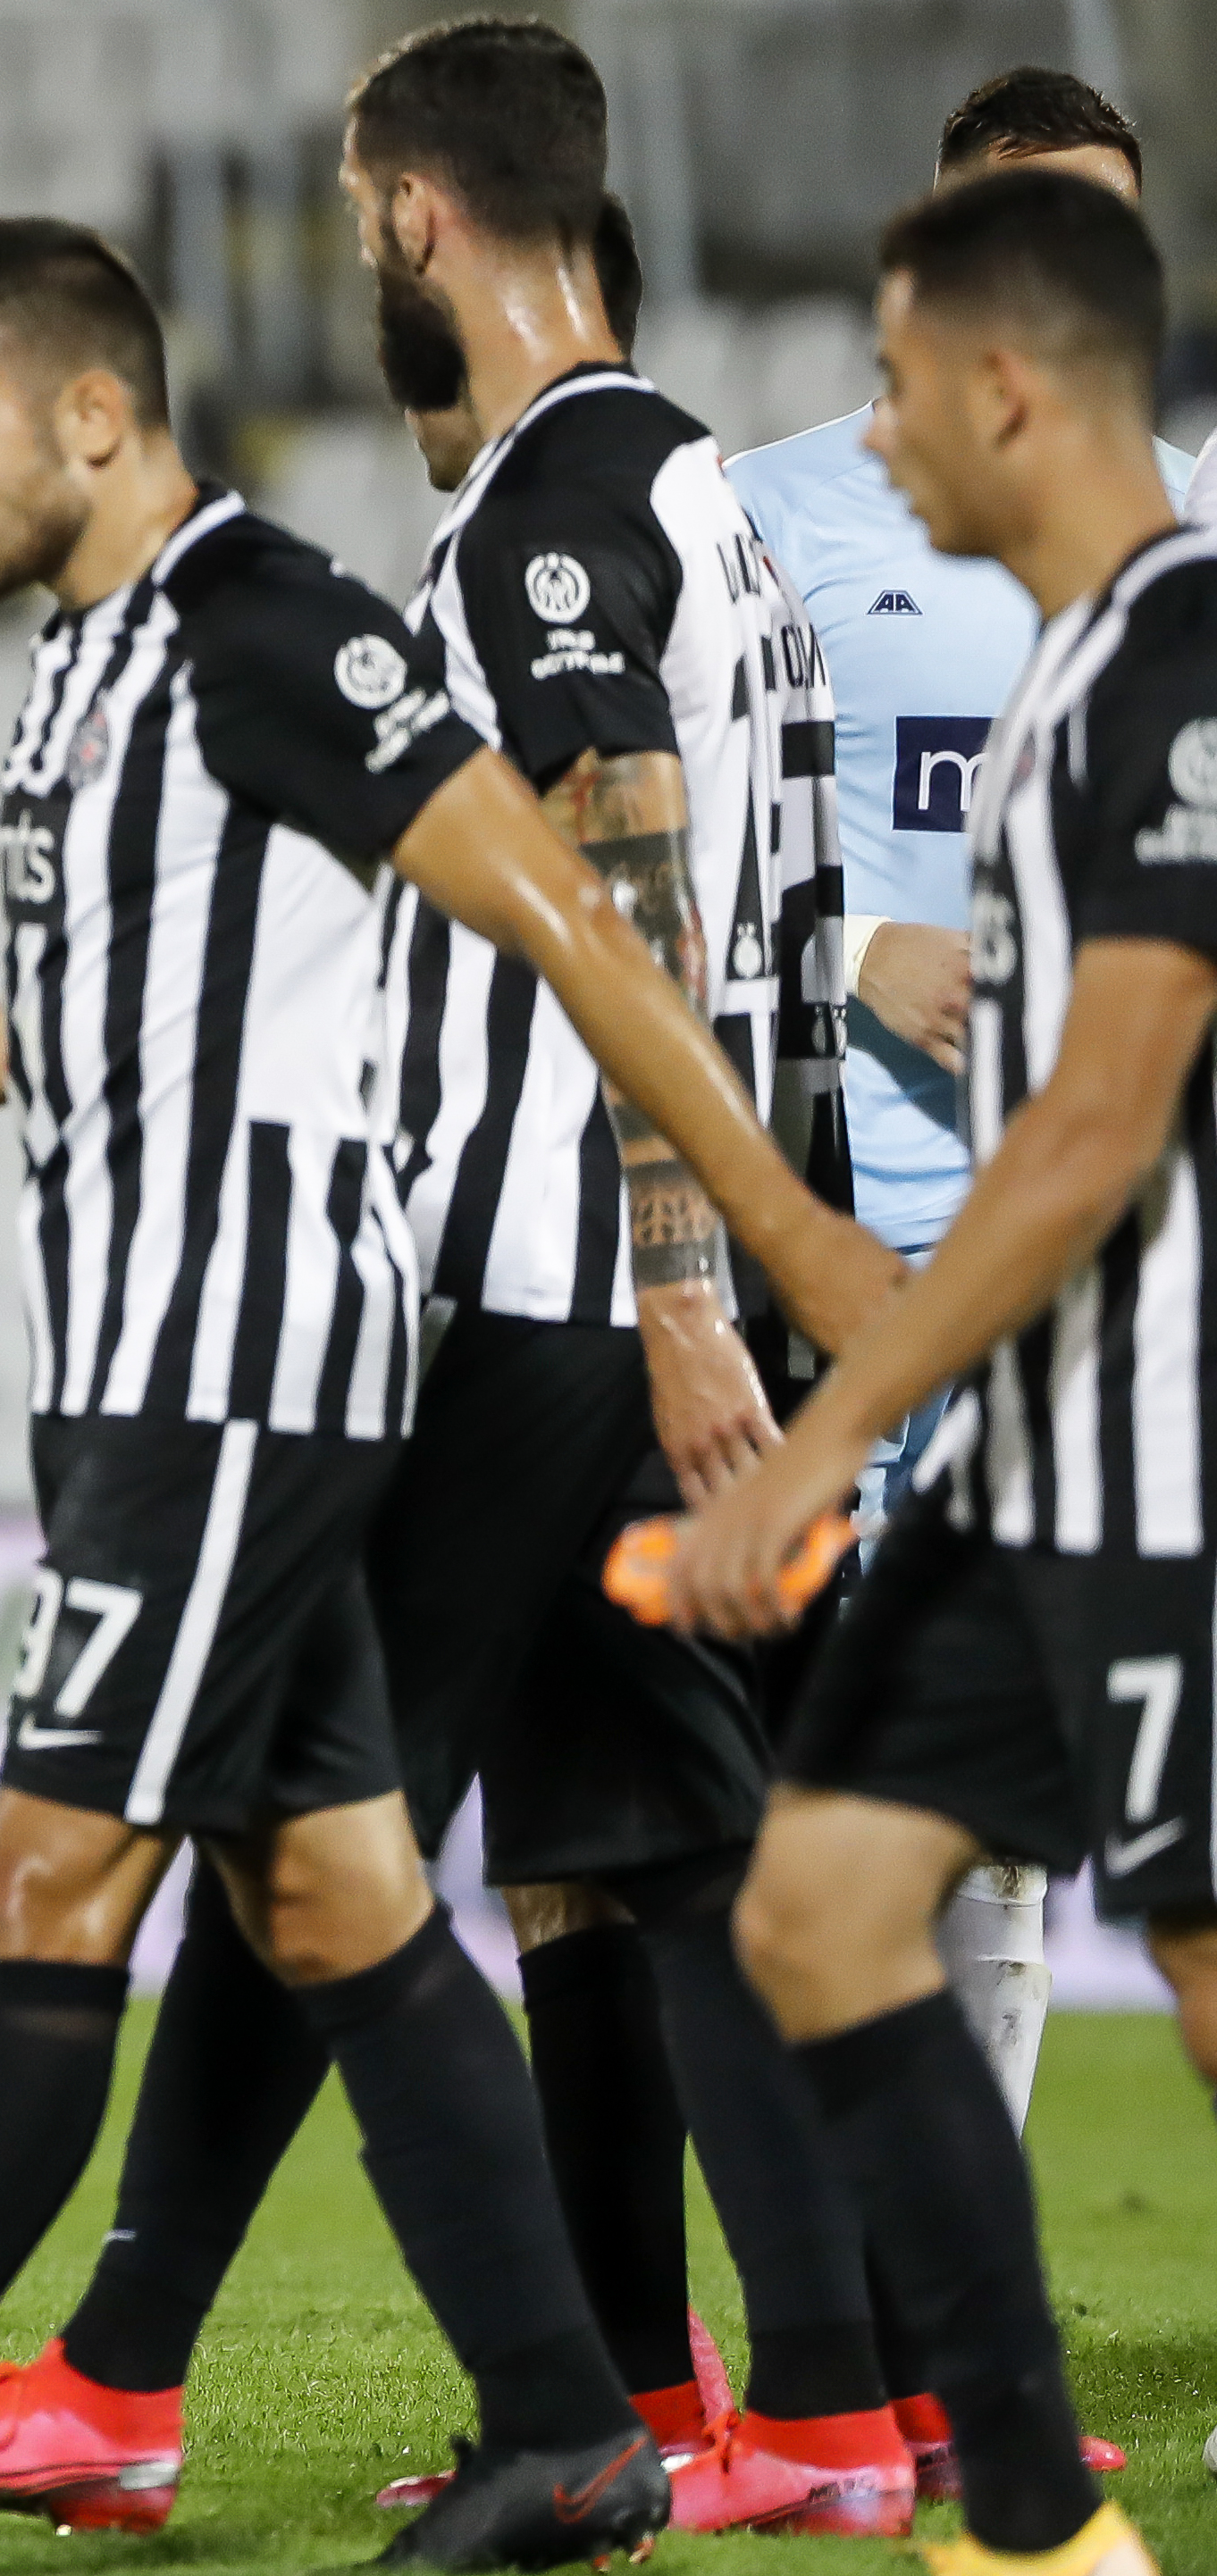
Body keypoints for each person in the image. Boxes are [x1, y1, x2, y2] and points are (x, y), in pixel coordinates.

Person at [0, 207, 894, 2576]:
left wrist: (770, 1250)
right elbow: (121, 996)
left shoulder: (279, 626)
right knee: (342, 1896)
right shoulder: (92, 665)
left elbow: (582, 908)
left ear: (89, 414)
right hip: (138, 1370)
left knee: (45, 1873)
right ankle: (570, 2432)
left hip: (243, 1376)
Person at [0, 23, 909, 2541]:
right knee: (643, 1852)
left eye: (365, 226)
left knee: (303, 1821)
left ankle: (121, 2372)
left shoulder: (554, 503)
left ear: (426, 222)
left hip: (542, 1268)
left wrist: (680, 1289)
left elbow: (627, 831)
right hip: (629, 1272)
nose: (362, 271)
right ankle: (792, 2404)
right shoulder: (704, 492)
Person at [664, 165, 1215, 2576]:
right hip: (1033, 1459)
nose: (872, 442)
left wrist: (827, 1424)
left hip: (1161, 1456)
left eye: (897, 384)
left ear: (1009, 380)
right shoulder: (1080, 675)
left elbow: (1100, 1123)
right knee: (819, 1900)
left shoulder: (1182, 656)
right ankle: (1024, 2515)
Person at [729, 67, 1194, 2165]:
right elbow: (667, 850)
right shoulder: (771, 516)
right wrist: (845, 953)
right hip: (852, 1228)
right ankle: (940, 2383)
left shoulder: (1177, 574)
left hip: (1114, 1308)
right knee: (863, 1856)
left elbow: (1106, 1095)